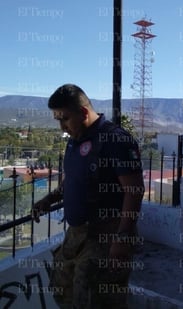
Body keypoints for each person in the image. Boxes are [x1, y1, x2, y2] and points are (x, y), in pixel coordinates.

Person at [32, 84, 145, 308]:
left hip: (106, 234)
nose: (61, 127)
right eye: (57, 120)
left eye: (64, 119)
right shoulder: (76, 140)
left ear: (83, 112)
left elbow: (134, 190)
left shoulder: (116, 140)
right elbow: (73, 180)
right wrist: (49, 199)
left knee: (97, 300)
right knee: (64, 291)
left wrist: (122, 238)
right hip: (76, 235)